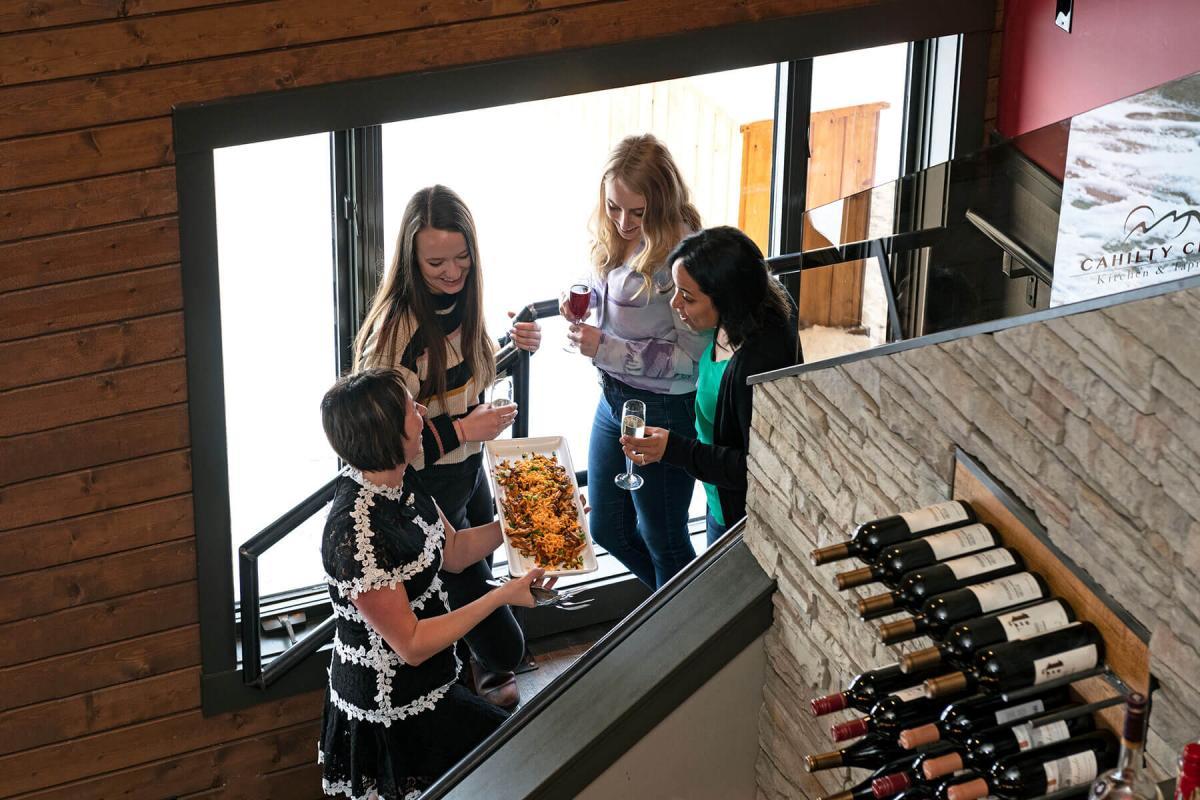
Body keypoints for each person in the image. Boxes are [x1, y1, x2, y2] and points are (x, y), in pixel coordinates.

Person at [317, 368, 552, 799]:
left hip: (435, 680)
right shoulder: (356, 535)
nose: (424, 411)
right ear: (387, 433)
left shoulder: (401, 479)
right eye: (411, 407)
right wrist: (502, 594)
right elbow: (412, 643)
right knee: (517, 761)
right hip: (392, 708)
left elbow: (458, 550)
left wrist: (534, 518)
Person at [353, 185, 541, 710]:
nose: (453, 272)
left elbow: (458, 382)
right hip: (428, 488)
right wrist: (462, 431)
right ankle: (467, 677)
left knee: (481, 609)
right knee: (505, 642)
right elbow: (385, 450)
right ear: (410, 258)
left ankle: (469, 670)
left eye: (462, 258)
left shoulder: (464, 301)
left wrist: (511, 349)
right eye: (436, 262)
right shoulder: (396, 333)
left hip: (468, 472)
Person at [562, 134, 709, 589]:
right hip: (614, 400)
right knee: (607, 527)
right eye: (613, 207)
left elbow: (693, 359)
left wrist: (605, 347)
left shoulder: (684, 259)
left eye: (637, 212)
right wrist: (579, 306)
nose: (623, 222)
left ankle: (682, 636)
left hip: (664, 410)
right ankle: (671, 615)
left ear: (661, 205)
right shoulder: (616, 236)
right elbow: (610, 294)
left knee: (663, 536)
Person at [619, 226, 799, 544]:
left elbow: (757, 467)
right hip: (717, 500)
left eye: (687, 297)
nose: (675, 303)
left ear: (727, 299)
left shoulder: (757, 366)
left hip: (739, 521)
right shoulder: (737, 319)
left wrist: (674, 449)